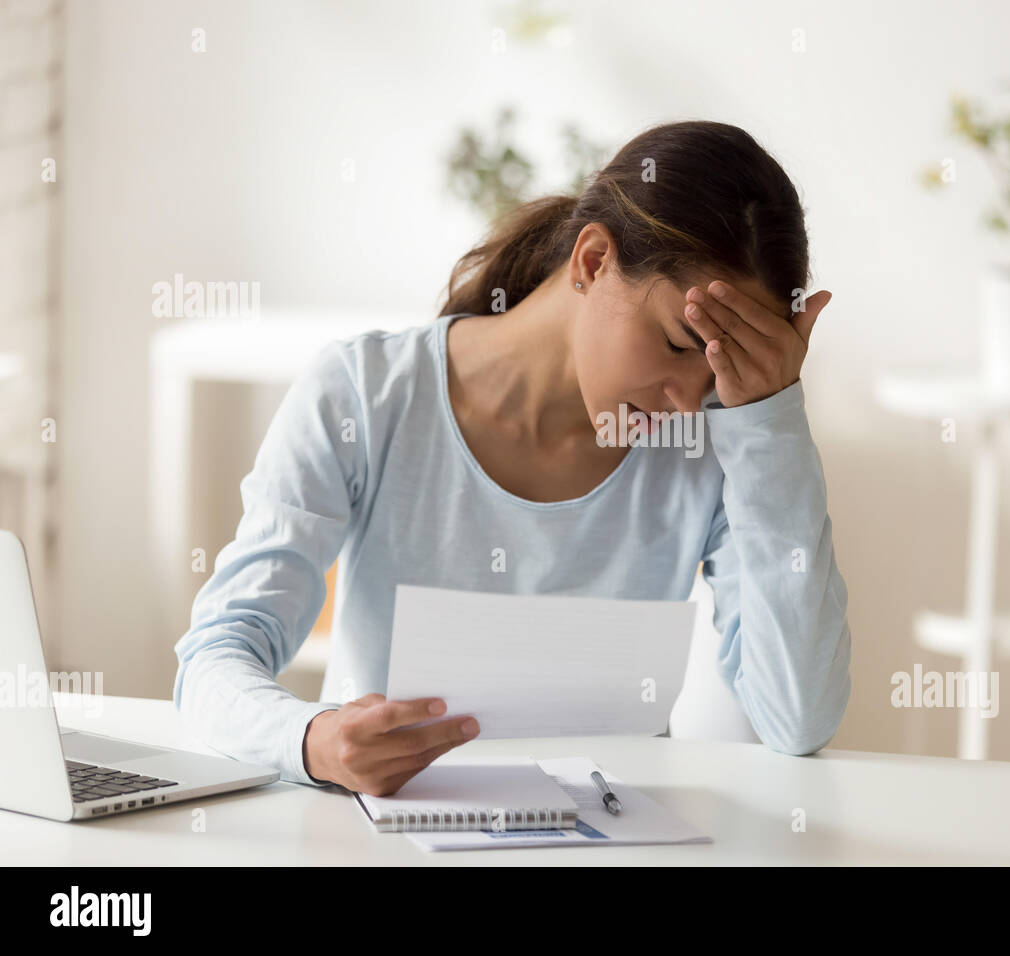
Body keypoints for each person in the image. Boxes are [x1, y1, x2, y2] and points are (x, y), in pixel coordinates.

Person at [172, 120, 851, 797]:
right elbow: (213, 661)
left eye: (716, 369)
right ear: (592, 261)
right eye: (679, 343)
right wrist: (316, 741)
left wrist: (772, 422)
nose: (683, 403)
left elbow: (797, 718)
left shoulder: (717, 441)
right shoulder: (364, 394)